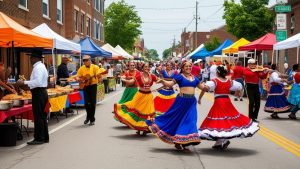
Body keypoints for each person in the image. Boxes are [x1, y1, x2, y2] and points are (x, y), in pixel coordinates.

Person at [198, 65, 259, 149]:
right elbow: (240, 87)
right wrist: (239, 95)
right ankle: (218, 143)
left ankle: (224, 140)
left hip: (219, 102)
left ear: (217, 73)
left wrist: (200, 98)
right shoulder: (229, 81)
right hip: (227, 101)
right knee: (225, 120)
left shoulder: (214, 81)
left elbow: (205, 89)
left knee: (219, 121)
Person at [146, 61, 201, 150]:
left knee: (191, 120)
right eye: (186, 66)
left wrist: (210, 86)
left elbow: (202, 87)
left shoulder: (195, 79)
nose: (188, 68)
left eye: (190, 66)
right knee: (176, 119)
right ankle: (179, 140)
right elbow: (169, 84)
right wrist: (162, 80)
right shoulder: (179, 77)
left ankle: (186, 140)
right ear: (182, 68)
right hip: (181, 101)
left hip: (191, 103)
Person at [114, 63, 158, 135]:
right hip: (140, 96)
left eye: (148, 67)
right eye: (145, 67)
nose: (147, 68)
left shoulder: (152, 76)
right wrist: (122, 79)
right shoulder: (138, 76)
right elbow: (131, 82)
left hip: (149, 97)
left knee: (147, 113)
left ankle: (145, 128)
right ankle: (138, 127)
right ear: (143, 68)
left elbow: (159, 80)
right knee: (139, 112)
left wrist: (166, 83)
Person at [17, 50, 49, 145]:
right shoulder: (41, 66)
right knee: (42, 116)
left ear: (35, 58)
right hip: (41, 92)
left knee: (39, 116)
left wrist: (24, 82)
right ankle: (44, 137)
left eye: (31, 58)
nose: (30, 59)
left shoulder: (38, 68)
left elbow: (38, 82)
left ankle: (39, 138)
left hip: (39, 93)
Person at [76, 55, 102, 125]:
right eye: (84, 60)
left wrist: (99, 78)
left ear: (90, 60)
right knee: (87, 103)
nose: (85, 62)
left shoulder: (95, 67)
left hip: (93, 86)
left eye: (87, 60)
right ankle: (88, 116)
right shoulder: (81, 68)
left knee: (93, 103)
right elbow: (77, 76)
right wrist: (80, 79)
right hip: (85, 86)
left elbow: (99, 75)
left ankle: (92, 119)